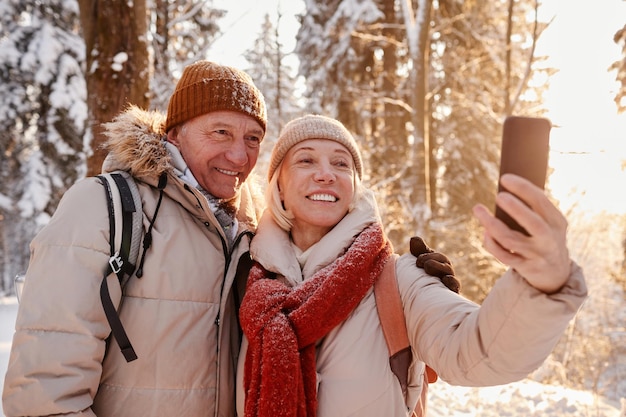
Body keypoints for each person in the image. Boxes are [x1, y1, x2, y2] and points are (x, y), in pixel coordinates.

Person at [236, 114, 588, 417]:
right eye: (306, 161)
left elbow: (477, 352)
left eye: (341, 163)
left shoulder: (397, 278)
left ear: (355, 187)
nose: (326, 174)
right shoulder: (246, 283)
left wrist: (541, 283)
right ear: (278, 187)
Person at [3, 60, 268, 416]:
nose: (240, 156)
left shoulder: (254, 229)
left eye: (253, 138)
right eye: (220, 132)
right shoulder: (102, 206)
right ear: (175, 133)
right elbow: (45, 392)